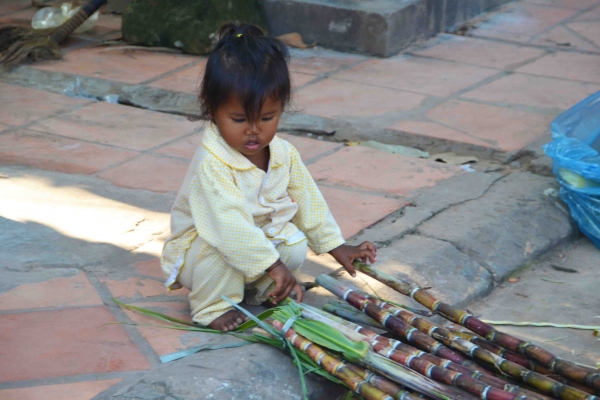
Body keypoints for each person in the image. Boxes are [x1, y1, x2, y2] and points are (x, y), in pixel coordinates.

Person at [160, 22, 377, 332]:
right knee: (220, 249)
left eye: (266, 118)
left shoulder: (283, 153)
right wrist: (272, 265)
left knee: (294, 243)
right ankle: (212, 307)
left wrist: (334, 245)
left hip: (253, 246)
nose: (253, 130)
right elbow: (229, 225)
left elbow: (307, 200)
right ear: (212, 109)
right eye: (238, 119)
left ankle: (264, 287)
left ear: (281, 109)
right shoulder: (212, 163)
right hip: (205, 249)